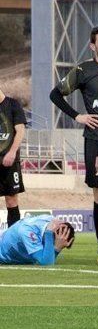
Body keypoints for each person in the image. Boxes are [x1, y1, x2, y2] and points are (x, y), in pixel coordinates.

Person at [50, 25, 98, 264]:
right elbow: (55, 94)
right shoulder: (83, 70)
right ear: (93, 46)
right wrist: (78, 116)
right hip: (96, 139)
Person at [0, 215, 75, 265]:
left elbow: (47, 257)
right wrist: (56, 248)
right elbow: (47, 263)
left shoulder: (51, 222)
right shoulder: (28, 231)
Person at [0, 89, 26, 228]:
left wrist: (12, 152)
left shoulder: (13, 104)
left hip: (9, 161)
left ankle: (12, 239)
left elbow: (20, 130)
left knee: (11, 200)